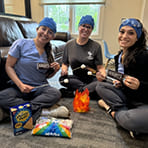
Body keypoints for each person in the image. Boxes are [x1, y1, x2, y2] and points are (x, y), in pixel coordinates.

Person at [0, 17, 62, 123]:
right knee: (2, 97)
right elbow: (9, 67)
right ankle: (36, 110)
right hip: (19, 87)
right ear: (37, 29)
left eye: (50, 32)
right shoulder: (20, 44)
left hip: (40, 88)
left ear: (53, 36)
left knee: (55, 93)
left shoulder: (49, 52)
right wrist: (20, 85)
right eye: (43, 29)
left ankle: (24, 109)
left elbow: (45, 76)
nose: (46, 33)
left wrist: (55, 71)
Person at [96, 18, 148, 138]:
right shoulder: (119, 56)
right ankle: (126, 116)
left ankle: (111, 110)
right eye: (122, 31)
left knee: (132, 120)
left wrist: (140, 85)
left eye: (131, 33)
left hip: (144, 101)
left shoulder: (144, 56)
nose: (124, 36)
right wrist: (117, 82)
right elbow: (121, 79)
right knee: (100, 86)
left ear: (137, 37)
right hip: (128, 98)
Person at [59, 15, 105, 98]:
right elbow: (65, 63)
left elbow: (100, 66)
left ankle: (73, 93)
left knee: (101, 83)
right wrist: (64, 70)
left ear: (91, 30)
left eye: (89, 27)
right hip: (77, 78)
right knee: (62, 80)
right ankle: (89, 90)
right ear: (79, 26)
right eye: (83, 26)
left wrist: (102, 74)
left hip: (92, 78)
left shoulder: (96, 46)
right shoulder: (69, 45)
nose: (86, 29)